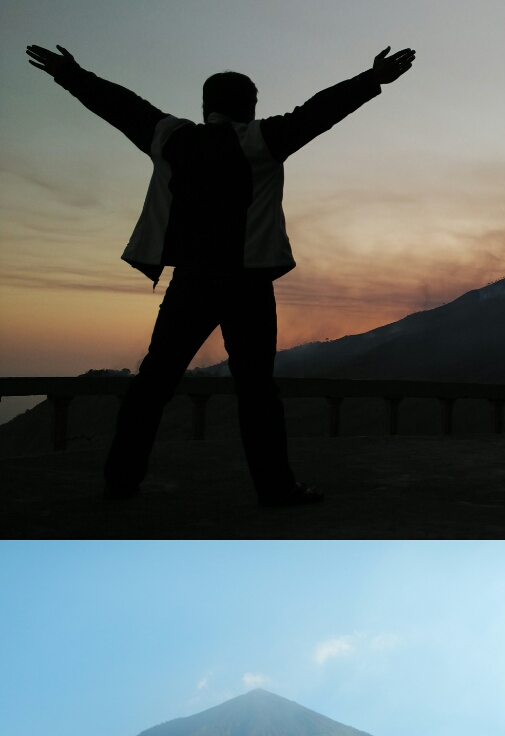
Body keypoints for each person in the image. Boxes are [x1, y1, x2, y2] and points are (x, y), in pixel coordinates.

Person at [26, 42, 415, 505]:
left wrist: (71, 75)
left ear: (206, 106)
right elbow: (319, 111)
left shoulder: (171, 137)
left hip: (191, 281)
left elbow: (120, 105)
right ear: (250, 107)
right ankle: (275, 487)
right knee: (256, 393)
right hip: (248, 285)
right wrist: (371, 79)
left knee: (154, 384)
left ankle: (120, 481)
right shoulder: (263, 141)